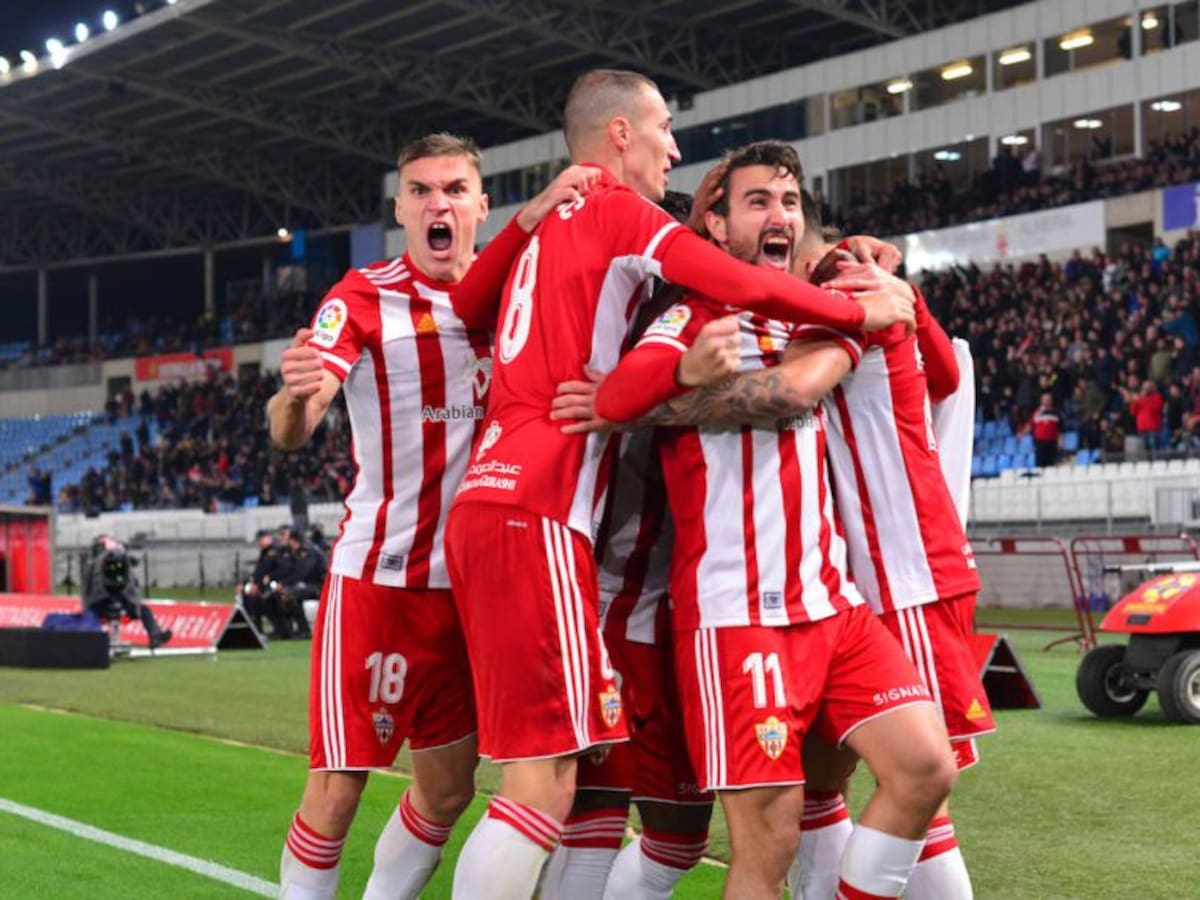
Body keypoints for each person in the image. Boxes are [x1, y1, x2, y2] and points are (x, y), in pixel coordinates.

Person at [443, 68, 916, 900]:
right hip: (542, 504)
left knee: (572, 784)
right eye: (663, 126)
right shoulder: (623, 213)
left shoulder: (549, 223)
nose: (673, 144)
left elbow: (469, 304)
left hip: (494, 496)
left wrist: (525, 215)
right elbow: (737, 282)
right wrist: (856, 314)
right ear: (620, 133)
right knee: (542, 787)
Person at [591, 140, 956, 900]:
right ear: (718, 229)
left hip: (833, 605)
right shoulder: (693, 317)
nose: (779, 215)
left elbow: (935, 372)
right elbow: (624, 392)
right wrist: (674, 396)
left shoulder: (809, 318)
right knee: (770, 843)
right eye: (757, 202)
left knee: (925, 767)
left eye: (789, 202)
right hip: (738, 616)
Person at [267, 131, 602, 900]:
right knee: (338, 788)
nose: (437, 203)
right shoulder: (362, 296)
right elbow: (300, 421)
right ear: (400, 210)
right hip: (382, 581)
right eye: (420, 191)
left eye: (454, 188)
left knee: (449, 790)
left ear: (483, 206)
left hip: (480, 591)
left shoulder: (520, 291)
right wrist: (294, 393)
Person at [785, 193, 996, 900]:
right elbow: (947, 373)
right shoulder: (839, 302)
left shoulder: (849, 291)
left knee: (871, 782)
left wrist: (900, 296)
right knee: (900, 781)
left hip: (897, 572)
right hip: (883, 578)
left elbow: (945, 373)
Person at [83, 535, 172, 649]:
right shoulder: (95, 567)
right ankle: (89, 641)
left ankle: (156, 635)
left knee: (144, 610)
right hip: (101, 606)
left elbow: (130, 587)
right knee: (140, 609)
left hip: (121, 605)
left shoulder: (121, 566)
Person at [242, 527, 289, 638]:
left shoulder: (274, 552)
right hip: (263, 585)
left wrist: (262, 581)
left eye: (260, 540)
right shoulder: (265, 552)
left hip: (272, 585)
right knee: (250, 599)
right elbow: (259, 571)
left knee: (261, 601)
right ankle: (257, 629)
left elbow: (278, 569)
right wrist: (249, 582)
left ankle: (268, 630)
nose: (259, 543)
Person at [1026, 393, 1061, 467]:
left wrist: (1060, 441)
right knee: (1040, 464)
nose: (1046, 401)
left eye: (1048, 400)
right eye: (1044, 400)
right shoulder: (1037, 412)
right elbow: (1030, 424)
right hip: (1040, 442)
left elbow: (1061, 429)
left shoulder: (1056, 413)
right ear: (1041, 401)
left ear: (1051, 401)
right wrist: (1022, 433)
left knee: (1050, 465)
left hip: (1052, 442)